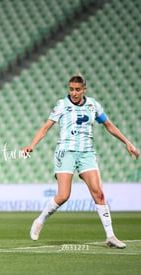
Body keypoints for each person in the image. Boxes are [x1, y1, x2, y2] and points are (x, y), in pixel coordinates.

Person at [23, 74, 139, 249]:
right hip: (66, 152)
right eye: (71, 89)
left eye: (77, 90)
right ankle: (40, 220)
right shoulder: (62, 105)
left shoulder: (93, 105)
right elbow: (46, 127)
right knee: (64, 195)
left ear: (84, 89)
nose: (74, 93)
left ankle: (110, 236)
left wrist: (127, 142)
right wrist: (31, 146)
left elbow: (109, 125)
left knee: (98, 193)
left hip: (87, 153)